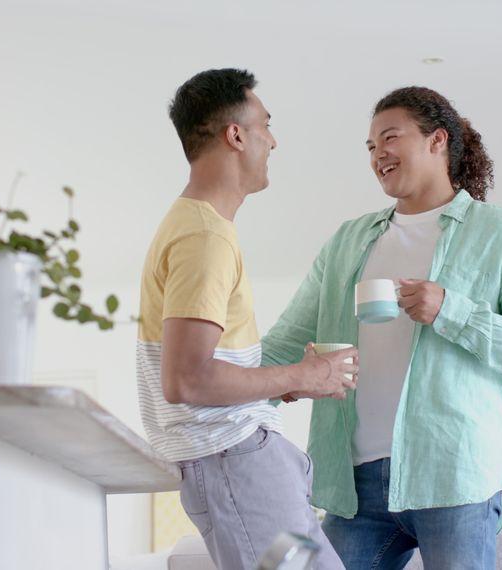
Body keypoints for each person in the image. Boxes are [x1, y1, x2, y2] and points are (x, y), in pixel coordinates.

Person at [262, 86, 502, 570]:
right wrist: (218, 380)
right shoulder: (347, 241)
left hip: (455, 478)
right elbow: (282, 343)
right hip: (354, 486)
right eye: (369, 146)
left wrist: (452, 311)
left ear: (437, 140)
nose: (377, 154)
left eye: (389, 137)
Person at [136, 68, 357, 570]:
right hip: (240, 466)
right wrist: (303, 375)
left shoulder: (200, 228)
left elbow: (202, 369)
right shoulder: (203, 238)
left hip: (251, 466)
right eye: (266, 125)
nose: (273, 141)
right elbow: (187, 379)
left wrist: (281, 385)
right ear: (235, 135)